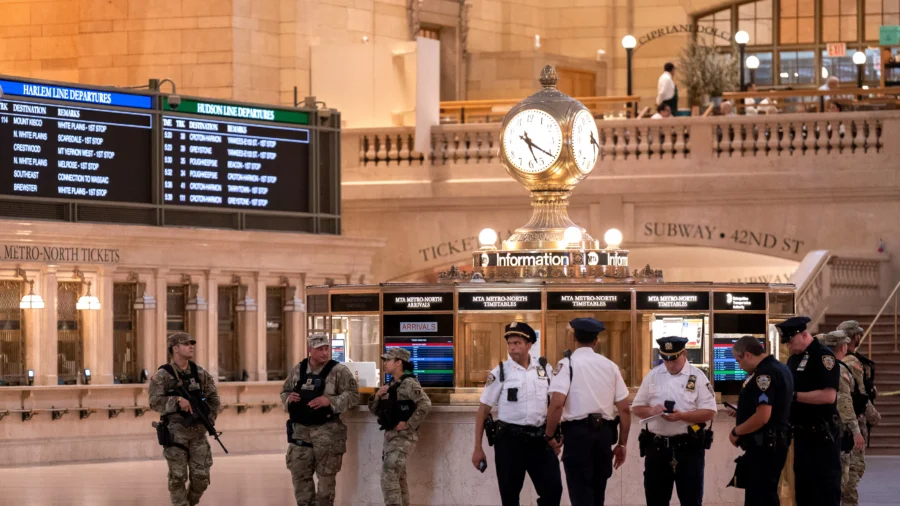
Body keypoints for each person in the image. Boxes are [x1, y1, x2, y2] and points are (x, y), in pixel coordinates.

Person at [472, 322, 562, 506]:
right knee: (510, 497)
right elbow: (483, 410)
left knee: (553, 492)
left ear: (529, 345)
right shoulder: (500, 372)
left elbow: (555, 404)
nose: (512, 348)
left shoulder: (544, 370)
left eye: (517, 343)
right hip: (509, 443)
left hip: (540, 441)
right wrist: (477, 447)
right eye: (510, 343)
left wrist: (555, 435)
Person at [545, 318, 631, 506]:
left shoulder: (567, 364)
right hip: (603, 437)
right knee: (598, 495)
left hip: (578, 437)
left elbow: (557, 404)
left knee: (580, 495)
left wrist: (550, 435)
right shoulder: (610, 366)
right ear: (596, 340)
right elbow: (624, 409)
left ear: (574, 338)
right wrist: (622, 444)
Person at [632, 336, 716, 506]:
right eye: (665, 359)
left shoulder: (697, 377)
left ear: (684, 353)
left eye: (674, 359)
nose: (670, 364)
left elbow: (709, 412)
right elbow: (637, 408)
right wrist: (651, 410)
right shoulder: (653, 376)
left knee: (691, 500)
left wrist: (682, 416)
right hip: (657, 449)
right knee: (656, 500)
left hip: (688, 449)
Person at [281, 334, 360, 506]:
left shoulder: (339, 371)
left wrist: (330, 401)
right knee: (300, 478)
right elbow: (285, 391)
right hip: (301, 434)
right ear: (310, 350)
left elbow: (354, 395)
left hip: (327, 433)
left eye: (326, 348)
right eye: (320, 349)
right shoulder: (298, 369)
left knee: (326, 483)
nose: (324, 352)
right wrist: (289, 398)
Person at [149, 332, 221, 506]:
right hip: (176, 434)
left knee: (202, 478)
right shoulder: (163, 375)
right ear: (175, 348)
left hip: (198, 433)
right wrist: (177, 401)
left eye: (192, 344)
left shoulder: (200, 373)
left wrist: (209, 418)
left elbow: (214, 399)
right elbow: (154, 402)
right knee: (177, 477)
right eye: (186, 344)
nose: (191, 347)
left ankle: (190, 502)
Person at [777, 316, 841, 506]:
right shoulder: (794, 358)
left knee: (824, 492)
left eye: (791, 341)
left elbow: (828, 396)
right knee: (804, 492)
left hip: (822, 437)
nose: (788, 346)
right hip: (802, 436)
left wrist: (794, 396)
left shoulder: (823, 357)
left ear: (804, 334)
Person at [727, 335, 793, 506]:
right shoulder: (780, 367)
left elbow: (763, 416)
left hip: (765, 446)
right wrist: (743, 412)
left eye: (738, 360)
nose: (739, 366)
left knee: (760, 497)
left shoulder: (764, 374)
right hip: (773, 442)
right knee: (766, 495)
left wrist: (736, 431)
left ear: (748, 354)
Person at [369, 347, 432, 506]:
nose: (384, 364)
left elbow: (425, 404)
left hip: (403, 438)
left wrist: (409, 424)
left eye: (387, 360)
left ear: (398, 363)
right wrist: (377, 395)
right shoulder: (390, 385)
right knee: (399, 478)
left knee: (388, 476)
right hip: (390, 438)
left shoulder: (409, 383)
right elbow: (375, 410)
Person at [822, 330, 878, 506]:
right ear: (844, 346)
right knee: (846, 483)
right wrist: (856, 430)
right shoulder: (843, 367)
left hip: (827, 431)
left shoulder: (824, 366)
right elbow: (848, 399)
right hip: (841, 431)